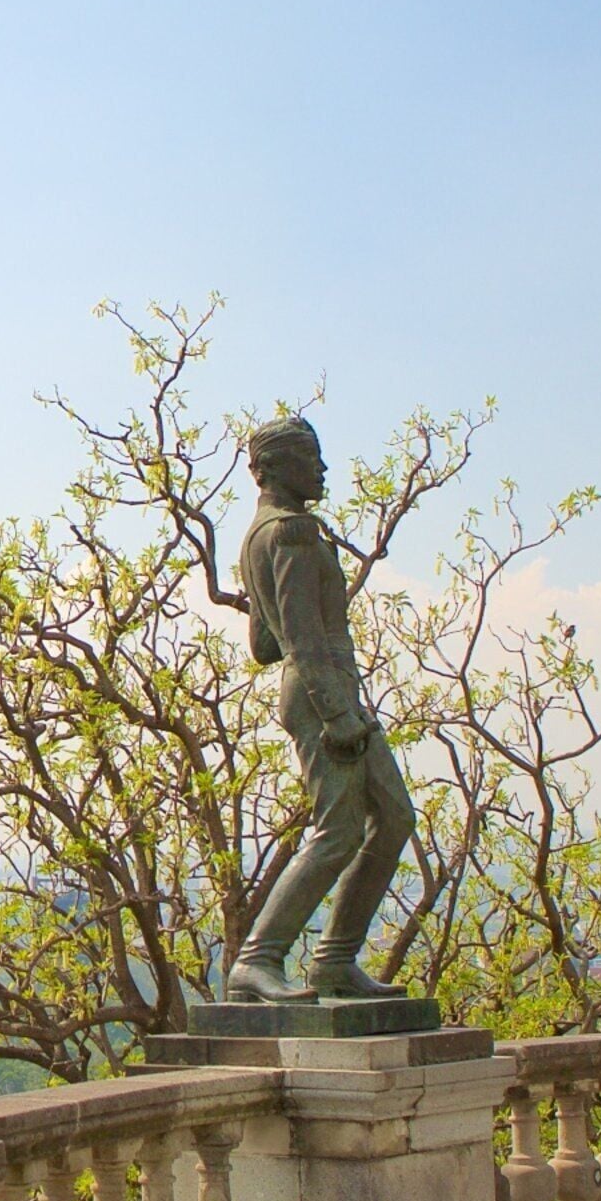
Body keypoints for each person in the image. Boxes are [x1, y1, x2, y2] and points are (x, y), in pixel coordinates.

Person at [218, 416, 418, 1002]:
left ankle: (333, 962)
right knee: (338, 831)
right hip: (322, 690)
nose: (324, 470)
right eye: (313, 459)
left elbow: (263, 645)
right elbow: (300, 636)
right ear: (279, 467)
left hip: (316, 686)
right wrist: (337, 714)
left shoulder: (258, 536)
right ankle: (257, 960)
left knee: (395, 816)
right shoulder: (295, 532)